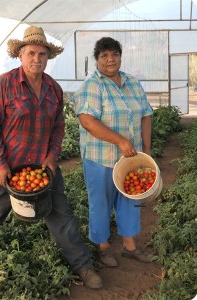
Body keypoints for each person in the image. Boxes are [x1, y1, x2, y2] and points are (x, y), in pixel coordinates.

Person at [0, 26, 103, 289]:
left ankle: (83, 266)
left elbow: (58, 127)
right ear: (20, 55)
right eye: (31, 53)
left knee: (61, 216)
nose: (37, 59)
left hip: (43, 170)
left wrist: (53, 157)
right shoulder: (4, 83)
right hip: (8, 168)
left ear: (48, 57)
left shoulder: (54, 89)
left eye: (42, 54)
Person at [72, 37, 153, 268]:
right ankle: (103, 247)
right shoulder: (92, 85)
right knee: (101, 203)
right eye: (104, 55)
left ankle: (129, 247)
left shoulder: (131, 82)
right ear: (97, 59)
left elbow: (145, 114)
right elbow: (87, 121)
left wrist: (146, 151)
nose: (110, 59)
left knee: (130, 199)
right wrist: (119, 140)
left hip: (131, 158)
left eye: (114, 54)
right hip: (101, 159)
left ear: (120, 56)